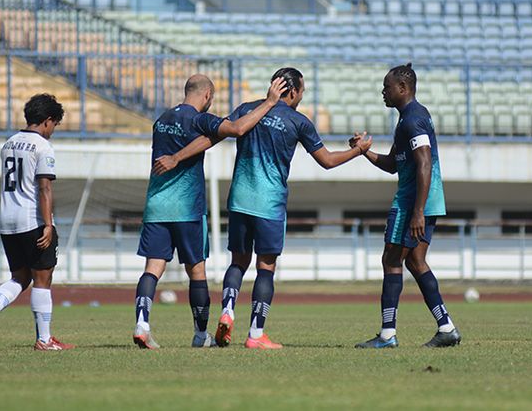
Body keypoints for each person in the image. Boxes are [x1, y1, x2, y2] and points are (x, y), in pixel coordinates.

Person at [155, 67, 371, 349]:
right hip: (269, 204)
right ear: (292, 91)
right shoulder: (299, 121)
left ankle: (228, 311)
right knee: (265, 267)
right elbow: (327, 161)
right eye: (302, 91)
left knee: (238, 262)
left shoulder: (246, 109)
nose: (301, 96)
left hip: (239, 200)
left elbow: (211, 137)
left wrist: (176, 156)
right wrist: (359, 150)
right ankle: (256, 335)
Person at [133, 74, 287, 349]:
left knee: (152, 270)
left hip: (156, 205)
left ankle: (142, 324)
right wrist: (270, 102)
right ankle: (200, 335)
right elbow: (238, 129)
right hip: (188, 208)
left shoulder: (162, 120)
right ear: (207, 96)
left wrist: (178, 156)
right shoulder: (200, 119)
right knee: (197, 272)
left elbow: (204, 142)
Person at [352, 63, 461, 349]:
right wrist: (365, 152)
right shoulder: (407, 119)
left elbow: (424, 163)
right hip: (425, 200)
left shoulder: (413, 119)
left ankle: (387, 335)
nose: (383, 91)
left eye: (387, 87)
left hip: (414, 201)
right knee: (414, 261)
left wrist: (416, 212)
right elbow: (392, 165)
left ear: (402, 88)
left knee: (391, 260)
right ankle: (446, 327)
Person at [0, 94, 74, 351]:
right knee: (42, 278)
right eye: (55, 125)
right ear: (47, 121)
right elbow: (44, 188)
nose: (53, 131)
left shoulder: (8, 144)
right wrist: (48, 224)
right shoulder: (42, 147)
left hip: (7, 221)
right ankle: (44, 339)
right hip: (33, 220)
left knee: (19, 277)